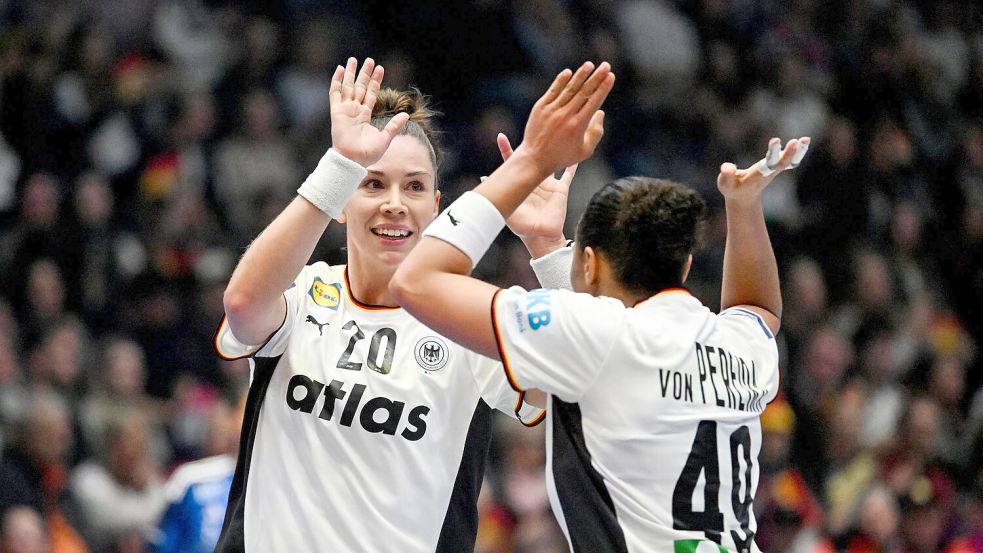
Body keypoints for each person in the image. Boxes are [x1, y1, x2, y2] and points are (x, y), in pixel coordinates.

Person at [391, 60, 810, 552]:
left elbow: (417, 281)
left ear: (589, 263)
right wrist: (744, 208)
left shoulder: (601, 333)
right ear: (685, 263)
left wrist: (529, 162)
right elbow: (759, 309)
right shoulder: (738, 347)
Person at [212, 57, 550, 552]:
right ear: (343, 198)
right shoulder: (306, 296)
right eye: (373, 183)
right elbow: (242, 304)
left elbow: (564, 386)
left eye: (414, 186)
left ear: (435, 205)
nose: (395, 202)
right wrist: (340, 164)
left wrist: (547, 248)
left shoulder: (469, 320)